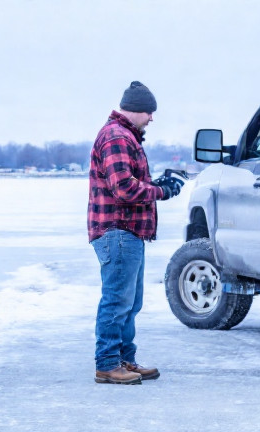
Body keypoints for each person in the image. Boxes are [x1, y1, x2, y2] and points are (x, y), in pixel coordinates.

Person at [87, 81, 184, 385]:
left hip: (128, 233)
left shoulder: (125, 136)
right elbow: (124, 188)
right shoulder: (116, 136)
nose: (152, 118)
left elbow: (130, 180)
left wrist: (158, 181)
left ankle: (125, 360)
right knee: (117, 301)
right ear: (135, 110)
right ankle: (107, 364)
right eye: (149, 112)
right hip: (117, 232)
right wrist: (162, 191)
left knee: (130, 303)